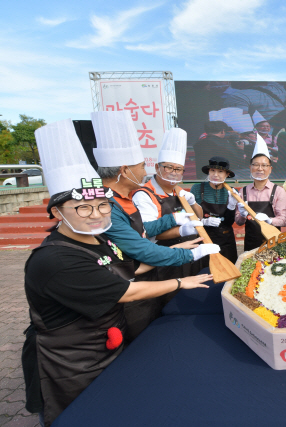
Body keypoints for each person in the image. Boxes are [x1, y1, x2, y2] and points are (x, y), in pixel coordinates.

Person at [21, 119, 212, 427]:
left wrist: (183, 249)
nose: (96, 214)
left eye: (101, 205)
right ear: (58, 212)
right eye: (83, 208)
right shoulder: (56, 259)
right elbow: (128, 289)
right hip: (70, 359)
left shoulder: (99, 239)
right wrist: (182, 275)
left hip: (106, 343)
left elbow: (132, 265)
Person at [91, 112, 219, 341]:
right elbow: (141, 247)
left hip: (143, 269)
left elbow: (141, 231)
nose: (143, 171)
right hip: (129, 279)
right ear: (124, 170)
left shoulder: (121, 200)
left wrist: (178, 222)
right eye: (141, 165)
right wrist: (188, 250)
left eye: (178, 169)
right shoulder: (105, 206)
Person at [132, 128, 204, 248]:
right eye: (169, 167)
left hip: (190, 251)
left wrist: (193, 203)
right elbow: (148, 231)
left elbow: (199, 216)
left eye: (178, 169)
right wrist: (181, 231)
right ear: (157, 167)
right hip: (165, 255)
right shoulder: (144, 195)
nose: (174, 173)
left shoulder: (179, 191)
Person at [235, 135, 286, 251]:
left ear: (270, 169)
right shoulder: (243, 191)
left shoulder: (278, 191)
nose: (260, 169)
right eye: (256, 165)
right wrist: (242, 215)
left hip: (273, 242)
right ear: (250, 168)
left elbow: (285, 219)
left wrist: (270, 220)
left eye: (264, 165)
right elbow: (238, 222)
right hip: (250, 243)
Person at [190, 156, 239, 263]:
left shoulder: (232, 192)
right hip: (203, 239)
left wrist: (231, 206)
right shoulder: (197, 188)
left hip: (225, 240)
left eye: (220, 171)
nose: (215, 175)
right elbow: (189, 215)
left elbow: (229, 222)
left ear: (227, 174)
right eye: (212, 170)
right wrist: (203, 221)